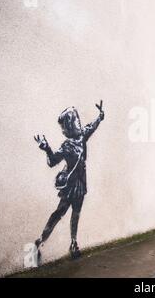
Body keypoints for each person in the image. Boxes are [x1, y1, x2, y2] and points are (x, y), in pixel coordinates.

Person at [33, 100, 104, 260]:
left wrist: (100, 116)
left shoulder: (82, 135)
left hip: (80, 184)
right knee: (59, 213)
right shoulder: (67, 145)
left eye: (77, 119)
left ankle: (73, 243)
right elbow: (52, 161)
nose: (78, 123)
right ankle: (40, 241)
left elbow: (92, 126)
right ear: (70, 125)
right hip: (70, 185)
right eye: (75, 121)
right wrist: (46, 148)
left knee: (76, 214)